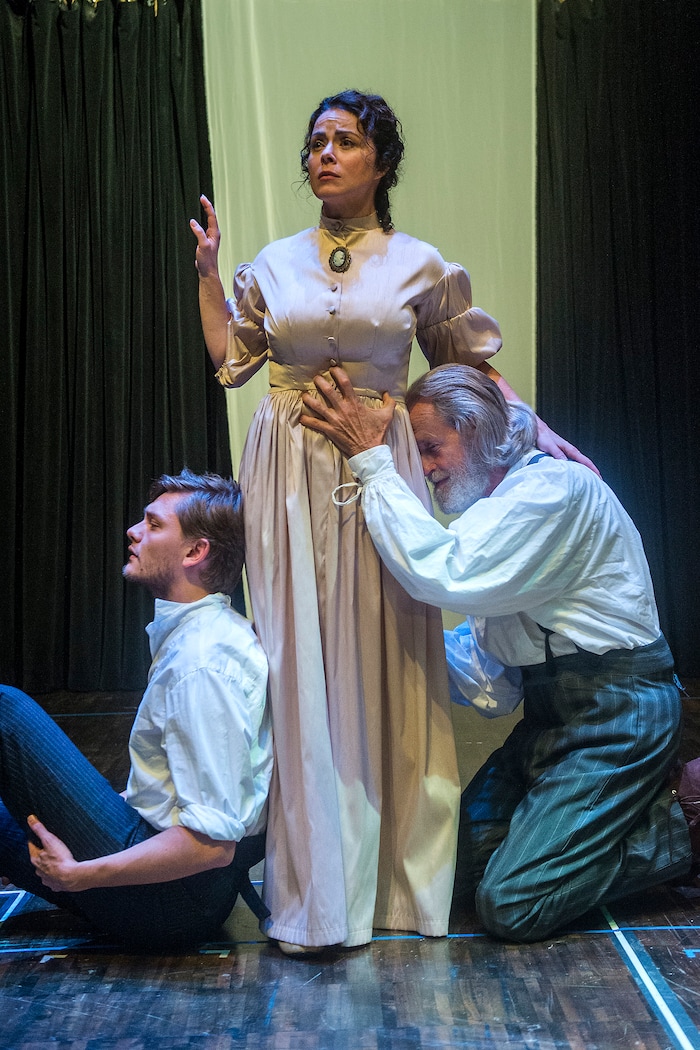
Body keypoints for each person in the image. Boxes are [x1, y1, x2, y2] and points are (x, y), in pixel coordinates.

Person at [189, 89, 596, 953]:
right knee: (298, 662)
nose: (322, 156)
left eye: (342, 141)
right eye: (313, 144)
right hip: (288, 468)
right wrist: (209, 274)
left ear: (380, 160)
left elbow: (471, 372)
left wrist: (541, 431)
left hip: (380, 456)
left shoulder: (421, 264)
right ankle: (314, 894)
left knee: (395, 658)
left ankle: (399, 890)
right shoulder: (274, 261)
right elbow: (233, 361)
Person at [300, 363, 699, 943]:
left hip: (621, 716)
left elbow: (445, 572)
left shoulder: (551, 492)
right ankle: (603, 825)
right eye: (417, 455)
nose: (427, 470)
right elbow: (496, 683)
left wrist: (370, 457)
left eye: (432, 448)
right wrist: (378, 643)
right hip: (550, 721)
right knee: (451, 868)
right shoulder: (495, 515)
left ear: (479, 431)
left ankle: (685, 819)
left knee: (514, 902)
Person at [0, 469, 272, 951]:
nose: (133, 530)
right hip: (174, 888)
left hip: (174, 902)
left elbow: (212, 845)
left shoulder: (203, 662)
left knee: (7, 710)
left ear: (195, 551)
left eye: (153, 524)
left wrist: (82, 874)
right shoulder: (194, 638)